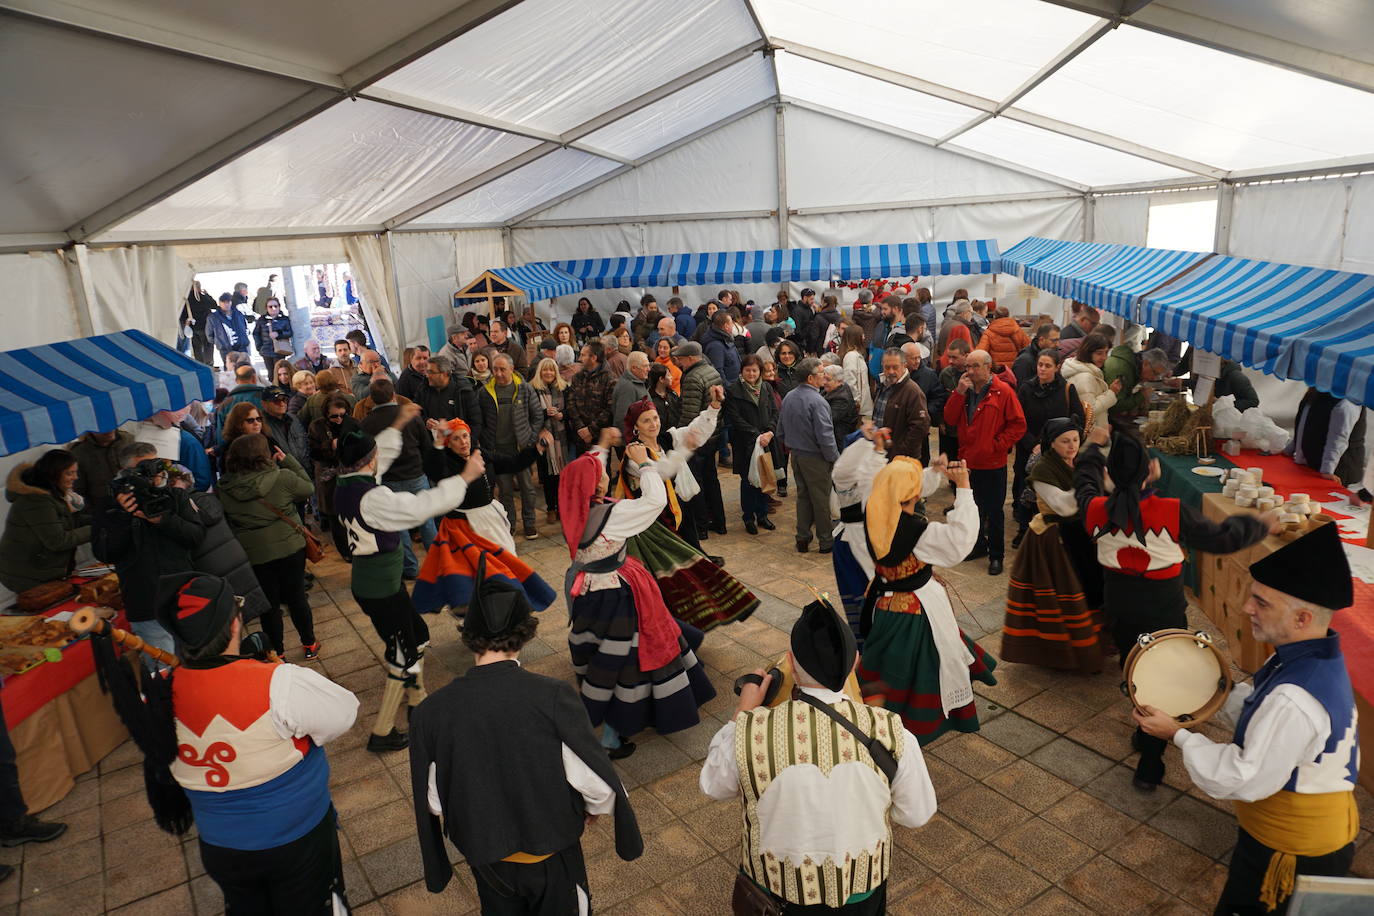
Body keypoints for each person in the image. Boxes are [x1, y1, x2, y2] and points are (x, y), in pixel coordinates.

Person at [1133, 523, 1361, 916]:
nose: (1246, 609)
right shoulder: (1306, 655)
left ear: (1303, 618)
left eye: (1262, 602)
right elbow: (1258, 711)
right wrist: (1204, 688)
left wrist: (1179, 735)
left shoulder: (1295, 698)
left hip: (1291, 853)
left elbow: (1242, 776)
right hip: (1294, 835)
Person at [409, 558, 642, 912]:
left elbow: (435, 801)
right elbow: (597, 782)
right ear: (524, 634)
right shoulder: (551, 697)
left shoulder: (431, 711)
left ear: (470, 638)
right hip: (551, 858)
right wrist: (592, 807)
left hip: (487, 864)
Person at [700, 597, 937, 915]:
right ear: (855, 663)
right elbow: (915, 814)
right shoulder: (894, 733)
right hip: (861, 892)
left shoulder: (749, 731)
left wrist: (743, 710)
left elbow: (714, 786)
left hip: (780, 893)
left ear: (790, 665)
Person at [1075, 427, 1275, 789]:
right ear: (1151, 470)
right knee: (1161, 680)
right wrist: (1258, 526)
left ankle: (1144, 731)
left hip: (1120, 607)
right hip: (1162, 610)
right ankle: (1150, 762)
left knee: (1134, 670)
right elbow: (1224, 538)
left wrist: (1093, 447)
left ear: (1110, 474)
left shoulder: (1094, 509)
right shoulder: (1170, 510)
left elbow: (1084, 479)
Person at [153, 572, 357, 914]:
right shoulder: (278, 683)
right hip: (296, 839)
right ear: (235, 625)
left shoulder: (155, 695)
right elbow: (344, 714)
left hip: (221, 847)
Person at [335, 410, 487, 751]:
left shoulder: (347, 484)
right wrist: (464, 477)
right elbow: (420, 507)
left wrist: (400, 423)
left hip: (372, 584)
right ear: (368, 460)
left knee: (415, 636)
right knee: (405, 650)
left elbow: (380, 457)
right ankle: (383, 731)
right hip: (380, 589)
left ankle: (418, 700)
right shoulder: (373, 497)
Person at [559, 444, 716, 759]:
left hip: (589, 592)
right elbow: (655, 501)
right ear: (596, 485)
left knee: (606, 659)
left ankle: (610, 724)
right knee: (630, 661)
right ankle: (612, 737)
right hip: (617, 597)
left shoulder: (574, 507)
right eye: (600, 473)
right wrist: (645, 464)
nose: (604, 475)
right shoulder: (612, 516)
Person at [857, 456, 999, 743]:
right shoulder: (918, 534)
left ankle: (877, 722)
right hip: (914, 614)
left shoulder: (874, 512)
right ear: (913, 493)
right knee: (919, 671)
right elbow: (960, 541)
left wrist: (933, 472)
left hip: (883, 605)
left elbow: (903, 487)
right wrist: (964, 489)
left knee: (887, 671)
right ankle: (908, 731)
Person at [616, 397, 759, 630]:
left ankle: (696, 620)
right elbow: (659, 473)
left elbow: (696, 431)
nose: (653, 424)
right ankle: (675, 627)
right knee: (672, 576)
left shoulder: (665, 439)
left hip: (678, 514)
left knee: (693, 566)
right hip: (656, 526)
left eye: (654, 418)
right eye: (646, 421)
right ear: (635, 427)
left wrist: (713, 408)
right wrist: (684, 450)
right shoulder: (635, 453)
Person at [413, 419, 556, 615]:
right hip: (464, 525)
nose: (463, 442)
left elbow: (511, 462)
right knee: (476, 572)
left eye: (465, 436)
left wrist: (537, 448)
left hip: (491, 520)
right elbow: (434, 470)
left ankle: (507, 607)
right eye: (456, 438)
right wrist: (438, 443)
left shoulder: (480, 455)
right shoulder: (445, 461)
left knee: (506, 561)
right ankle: (481, 614)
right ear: (449, 443)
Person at [1000, 419, 1105, 674]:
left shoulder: (1081, 460)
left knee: (1094, 587)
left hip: (1085, 534)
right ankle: (1065, 651)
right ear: (1051, 443)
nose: (1072, 446)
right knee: (1067, 594)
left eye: (1076, 440)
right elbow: (1064, 506)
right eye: (1065, 441)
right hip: (1056, 539)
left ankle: (1096, 643)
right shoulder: (1042, 470)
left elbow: (1108, 486)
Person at [91, 442, 207, 662]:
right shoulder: (110, 505)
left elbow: (197, 537)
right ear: (126, 473)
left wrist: (165, 520)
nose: (153, 475)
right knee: (164, 678)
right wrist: (123, 517)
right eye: (143, 470)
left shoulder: (174, 497)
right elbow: (105, 553)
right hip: (146, 606)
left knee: (199, 667)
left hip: (184, 598)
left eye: (156, 466)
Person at [217, 433, 318, 660]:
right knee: (296, 597)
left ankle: (277, 652)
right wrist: (289, 460)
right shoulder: (282, 477)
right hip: (290, 547)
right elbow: (308, 488)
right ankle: (309, 644)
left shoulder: (224, 487)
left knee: (269, 604)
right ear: (264, 455)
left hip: (254, 553)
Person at [941, 349, 1025, 576]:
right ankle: (977, 545)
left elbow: (1018, 425)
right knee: (971, 508)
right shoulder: (965, 391)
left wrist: (997, 445)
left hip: (992, 463)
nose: (969, 371)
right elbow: (949, 418)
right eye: (967, 366)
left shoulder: (1003, 392)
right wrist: (958, 393)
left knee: (994, 512)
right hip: (968, 462)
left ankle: (996, 555)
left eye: (974, 366)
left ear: (988, 367)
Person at [359, 379, 438, 577]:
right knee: (427, 522)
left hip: (388, 480)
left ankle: (410, 568)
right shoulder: (410, 416)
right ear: (393, 394)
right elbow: (426, 445)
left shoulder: (367, 423)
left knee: (399, 527)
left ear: (371, 399)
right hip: (416, 475)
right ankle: (439, 564)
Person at [1012, 348, 1084, 548]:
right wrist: (1033, 444)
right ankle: (1023, 528)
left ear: (1057, 367)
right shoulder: (1026, 389)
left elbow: (1078, 420)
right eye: (1040, 365)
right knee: (1024, 487)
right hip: (1029, 448)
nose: (1042, 369)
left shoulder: (1067, 389)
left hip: (1058, 451)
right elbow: (1018, 421)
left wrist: (1064, 443)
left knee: (1052, 490)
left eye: (1047, 366)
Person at [831, 426, 890, 646]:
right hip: (851, 546)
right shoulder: (845, 475)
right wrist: (866, 441)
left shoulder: (876, 470)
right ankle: (867, 647)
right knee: (861, 597)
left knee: (876, 597)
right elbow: (843, 469)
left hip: (868, 543)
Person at [0, 450, 90, 593]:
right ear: (53, 474)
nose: (75, 477)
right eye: (69, 473)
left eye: (75, 472)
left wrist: (98, 519)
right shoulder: (36, 500)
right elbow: (57, 541)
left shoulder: (51, 494)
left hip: (40, 569)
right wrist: (96, 527)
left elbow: (64, 522)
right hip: (27, 575)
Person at [477, 354, 546, 541]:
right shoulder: (485, 393)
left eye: (502, 369)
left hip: (521, 450)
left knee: (527, 490)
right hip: (497, 451)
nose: (498, 374)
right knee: (505, 492)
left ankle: (530, 524)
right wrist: (486, 443)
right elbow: (480, 421)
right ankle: (510, 525)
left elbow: (537, 416)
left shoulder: (524, 389)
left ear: (512, 368)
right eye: (495, 369)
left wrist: (530, 439)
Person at [779, 357, 839, 554]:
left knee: (803, 497)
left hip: (796, 455)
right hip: (815, 458)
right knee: (821, 500)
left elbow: (781, 429)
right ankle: (826, 541)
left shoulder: (789, 397)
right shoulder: (818, 401)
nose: (824, 376)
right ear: (812, 378)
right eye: (822, 373)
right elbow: (825, 435)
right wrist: (834, 458)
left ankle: (802, 537)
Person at [673, 341, 727, 541]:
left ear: (690, 358)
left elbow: (689, 412)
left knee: (697, 482)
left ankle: (701, 526)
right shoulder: (711, 370)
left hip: (697, 438)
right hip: (712, 435)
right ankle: (719, 522)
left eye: (681, 359)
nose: (680, 364)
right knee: (711, 479)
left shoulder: (692, 377)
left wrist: (681, 437)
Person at [723, 355, 778, 535]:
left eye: (755, 370)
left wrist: (769, 431)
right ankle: (748, 517)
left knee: (763, 478)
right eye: (748, 370)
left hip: (765, 441)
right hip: (744, 443)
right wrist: (756, 434)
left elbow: (774, 412)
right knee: (747, 481)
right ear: (742, 371)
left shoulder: (766, 387)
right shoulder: (733, 390)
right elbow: (734, 418)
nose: (751, 374)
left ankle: (762, 515)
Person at [1288, 387, 1366, 486]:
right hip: (1314, 466)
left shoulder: (1348, 401)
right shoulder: (1317, 391)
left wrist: (1327, 470)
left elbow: (1338, 439)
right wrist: (1290, 449)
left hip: (1340, 469)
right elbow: (1303, 425)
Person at [527, 357, 569, 525]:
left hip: (562, 439)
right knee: (547, 476)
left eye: (552, 370)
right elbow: (529, 414)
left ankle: (562, 507)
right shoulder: (532, 389)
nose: (548, 373)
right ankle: (551, 508)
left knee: (562, 476)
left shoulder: (564, 388)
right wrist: (545, 414)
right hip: (542, 438)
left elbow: (570, 410)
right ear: (540, 372)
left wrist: (562, 415)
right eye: (545, 370)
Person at [873, 347, 930, 462]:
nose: (891, 372)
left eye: (895, 367)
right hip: (882, 454)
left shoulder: (913, 391)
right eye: (887, 367)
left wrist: (901, 452)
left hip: (902, 459)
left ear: (904, 366)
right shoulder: (882, 386)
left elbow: (920, 427)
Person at [565, 340, 615, 456]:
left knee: (600, 472)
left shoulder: (610, 379)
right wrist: (581, 428)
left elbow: (610, 409)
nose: (579, 358)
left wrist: (590, 430)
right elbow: (571, 402)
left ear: (593, 358)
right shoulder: (577, 377)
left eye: (583, 355)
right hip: (580, 436)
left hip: (600, 438)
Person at [1061, 332, 1119, 430]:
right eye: (1099, 353)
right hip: (1091, 435)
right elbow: (1089, 410)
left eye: (1106, 352)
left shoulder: (1084, 370)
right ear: (1088, 352)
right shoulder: (1084, 377)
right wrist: (1111, 393)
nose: (1104, 357)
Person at [69, 428, 134, 515]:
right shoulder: (79, 453)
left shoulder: (128, 440)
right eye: (101, 428)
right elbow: (78, 492)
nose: (109, 430)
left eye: (111, 423)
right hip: (106, 513)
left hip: (135, 504)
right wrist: (98, 515)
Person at [260, 385, 310, 470]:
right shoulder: (261, 425)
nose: (282, 403)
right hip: (283, 476)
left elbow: (305, 444)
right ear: (264, 404)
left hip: (304, 472)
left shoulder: (294, 419)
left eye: (284, 400)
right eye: (276, 401)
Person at [819, 365, 861, 455]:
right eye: (824, 378)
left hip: (839, 441)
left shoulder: (841, 398)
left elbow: (828, 419)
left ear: (839, 381)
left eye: (828, 380)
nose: (824, 382)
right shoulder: (834, 389)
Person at [610, 351, 651, 439]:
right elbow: (622, 418)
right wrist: (632, 442)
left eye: (648, 365)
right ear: (634, 368)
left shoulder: (637, 383)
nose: (649, 369)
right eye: (645, 366)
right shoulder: (627, 387)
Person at [836, 325, 873, 421]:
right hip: (859, 408)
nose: (864, 337)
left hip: (862, 406)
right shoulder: (851, 356)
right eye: (862, 334)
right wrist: (856, 401)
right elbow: (850, 380)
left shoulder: (855, 355)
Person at [208, 293, 250, 367]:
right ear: (220, 303)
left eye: (228, 302)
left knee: (244, 369)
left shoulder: (238, 314)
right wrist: (219, 343)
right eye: (224, 302)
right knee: (230, 371)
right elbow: (210, 335)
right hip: (226, 349)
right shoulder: (213, 317)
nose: (226, 304)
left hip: (241, 347)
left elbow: (245, 327)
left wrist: (244, 339)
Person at [252, 298, 293, 368]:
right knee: (270, 373)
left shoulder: (284, 319)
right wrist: (259, 347)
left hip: (280, 350)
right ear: (266, 308)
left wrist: (279, 334)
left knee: (280, 371)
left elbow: (290, 332)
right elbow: (256, 333)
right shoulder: (262, 319)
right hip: (266, 351)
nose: (273, 308)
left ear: (279, 307)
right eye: (270, 306)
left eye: (275, 306)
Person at [183, 280, 216, 366]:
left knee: (197, 347)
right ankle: (209, 364)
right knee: (208, 345)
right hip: (205, 326)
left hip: (193, 327)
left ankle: (200, 365)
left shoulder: (186, 300)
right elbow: (214, 305)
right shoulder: (202, 297)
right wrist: (207, 295)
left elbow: (183, 315)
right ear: (199, 288)